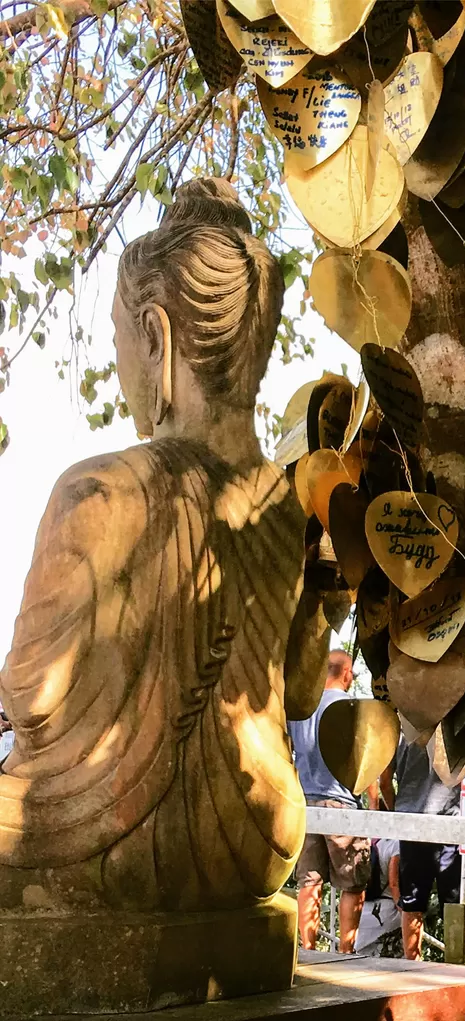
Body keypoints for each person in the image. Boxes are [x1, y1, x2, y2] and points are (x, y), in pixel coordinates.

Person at [0, 178, 330, 911]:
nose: (123, 368)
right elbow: (302, 692)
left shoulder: (97, 491)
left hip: (128, 835)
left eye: (122, 338)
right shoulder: (286, 505)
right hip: (261, 835)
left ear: (157, 333)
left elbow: (34, 697)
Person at [288, 650, 377, 953]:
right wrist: (375, 803)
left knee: (309, 880)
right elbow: (367, 762)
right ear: (347, 673)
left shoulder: (301, 709)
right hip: (341, 803)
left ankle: (308, 950)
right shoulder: (352, 709)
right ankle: (346, 951)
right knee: (352, 880)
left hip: (305, 802)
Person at [382, 737, 462, 960]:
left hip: (411, 821)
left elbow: (384, 782)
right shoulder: (452, 729)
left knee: (412, 900)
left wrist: (398, 810)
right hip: (451, 822)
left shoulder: (399, 733)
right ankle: (458, 963)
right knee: (455, 901)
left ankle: (412, 964)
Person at [355, 837, 401, 954]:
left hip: (362, 908)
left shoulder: (364, 840)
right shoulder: (395, 845)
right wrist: (403, 911)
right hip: (387, 911)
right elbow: (393, 883)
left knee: (360, 959)